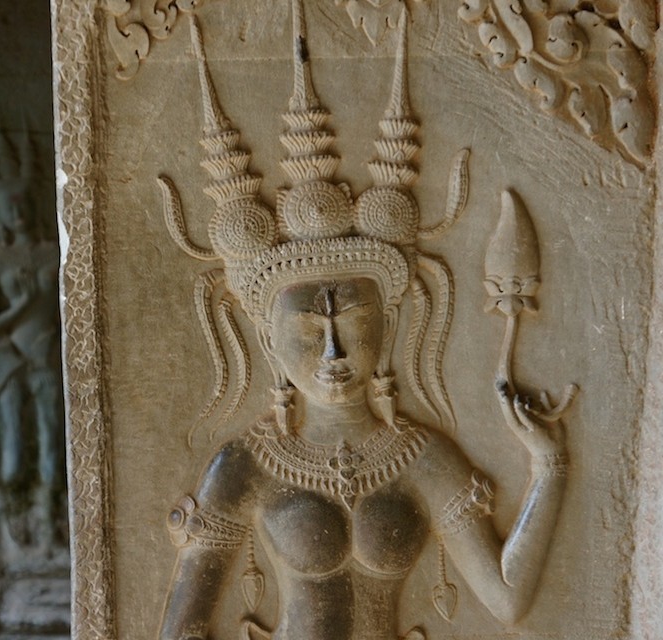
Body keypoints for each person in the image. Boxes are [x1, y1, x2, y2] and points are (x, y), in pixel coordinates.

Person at [158, 6, 569, 639]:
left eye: (352, 322)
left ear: (391, 324)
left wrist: (550, 468)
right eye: (306, 330)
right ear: (267, 339)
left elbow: (508, 601)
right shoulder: (245, 465)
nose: (332, 350)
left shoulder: (423, 457)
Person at [0, 129, 64, 550]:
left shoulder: (52, 252)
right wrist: (22, 304)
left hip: (47, 354)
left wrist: (54, 338)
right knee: (12, 444)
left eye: (23, 202)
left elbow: (74, 310)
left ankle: (49, 514)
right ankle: (16, 511)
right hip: (11, 358)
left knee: (51, 439)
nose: (17, 212)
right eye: (7, 207)